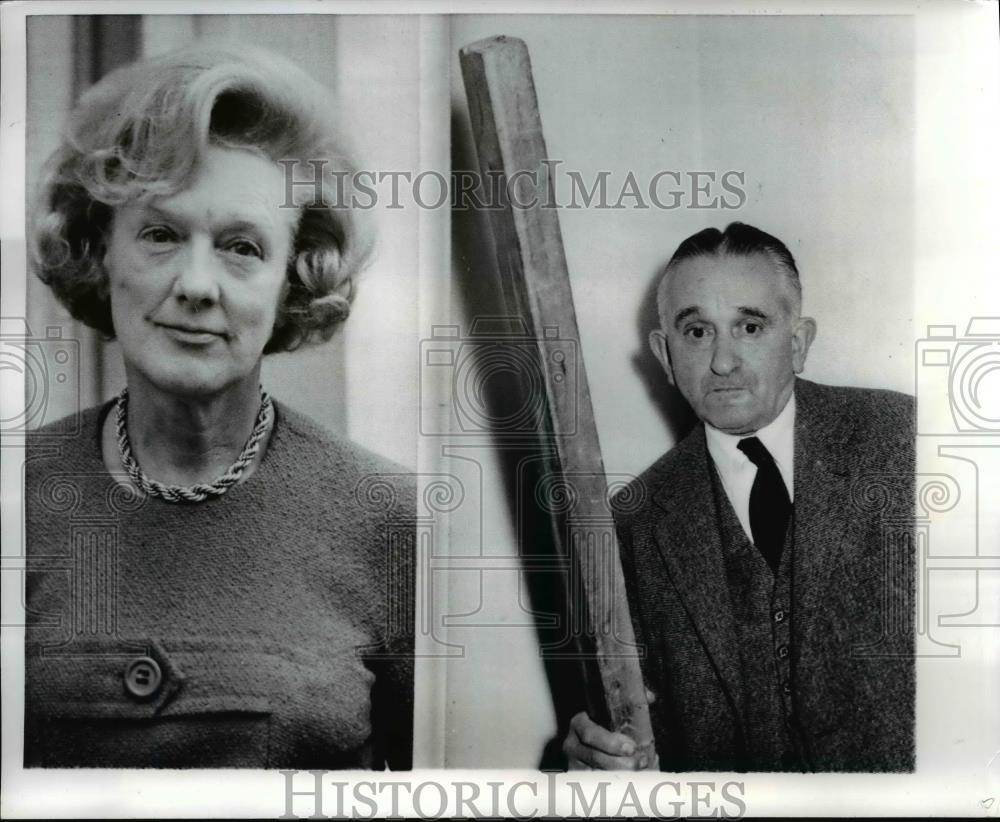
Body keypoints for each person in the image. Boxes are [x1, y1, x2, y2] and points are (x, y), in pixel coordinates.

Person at [24, 44, 414, 769]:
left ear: (294, 280)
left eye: (241, 246)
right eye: (162, 235)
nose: (198, 285)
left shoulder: (390, 521)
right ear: (101, 252)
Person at [563, 222, 914, 772]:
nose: (723, 361)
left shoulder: (907, 441)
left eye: (749, 327)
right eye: (698, 333)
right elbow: (626, 734)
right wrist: (590, 758)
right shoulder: (630, 525)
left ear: (798, 343)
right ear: (665, 354)